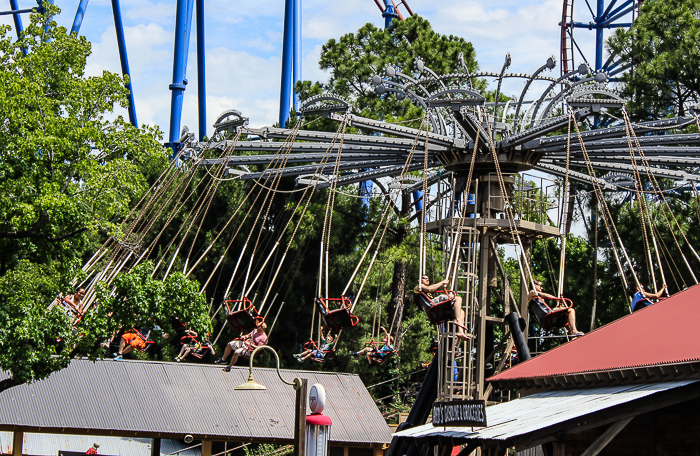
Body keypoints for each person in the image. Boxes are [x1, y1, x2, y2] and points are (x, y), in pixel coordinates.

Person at [414, 275, 472, 341]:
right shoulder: (419, 286)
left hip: (433, 307)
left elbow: (429, 289)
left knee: (461, 312)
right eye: (424, 278)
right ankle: (458, 320)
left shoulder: (425, 292)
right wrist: (443, 282)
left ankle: (460, 332)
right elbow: (430, 289)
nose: (427, 279)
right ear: (419, 280)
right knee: (458, 299)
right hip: (431, 304)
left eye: (428, 278)